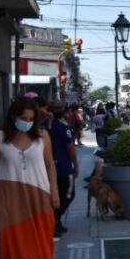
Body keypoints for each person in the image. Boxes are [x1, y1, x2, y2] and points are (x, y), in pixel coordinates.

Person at [0, 97, 60, 259]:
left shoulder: (42, 136)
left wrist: (54, 191)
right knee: (14, 248)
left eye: (30, 119)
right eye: (23, 118)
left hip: (40, 198)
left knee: (42, 245)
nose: (26, 122)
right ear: (13, 116)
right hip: (11, 203)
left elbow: (50, 164)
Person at [48, 101, 79, 241]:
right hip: (63, 167)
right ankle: (54, 220)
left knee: (56, 196)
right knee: (68, 194)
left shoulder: (45, 126)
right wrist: (76, 165)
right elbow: (70, 147)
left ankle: (56, 221)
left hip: (49, 167)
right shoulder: (62, 126)